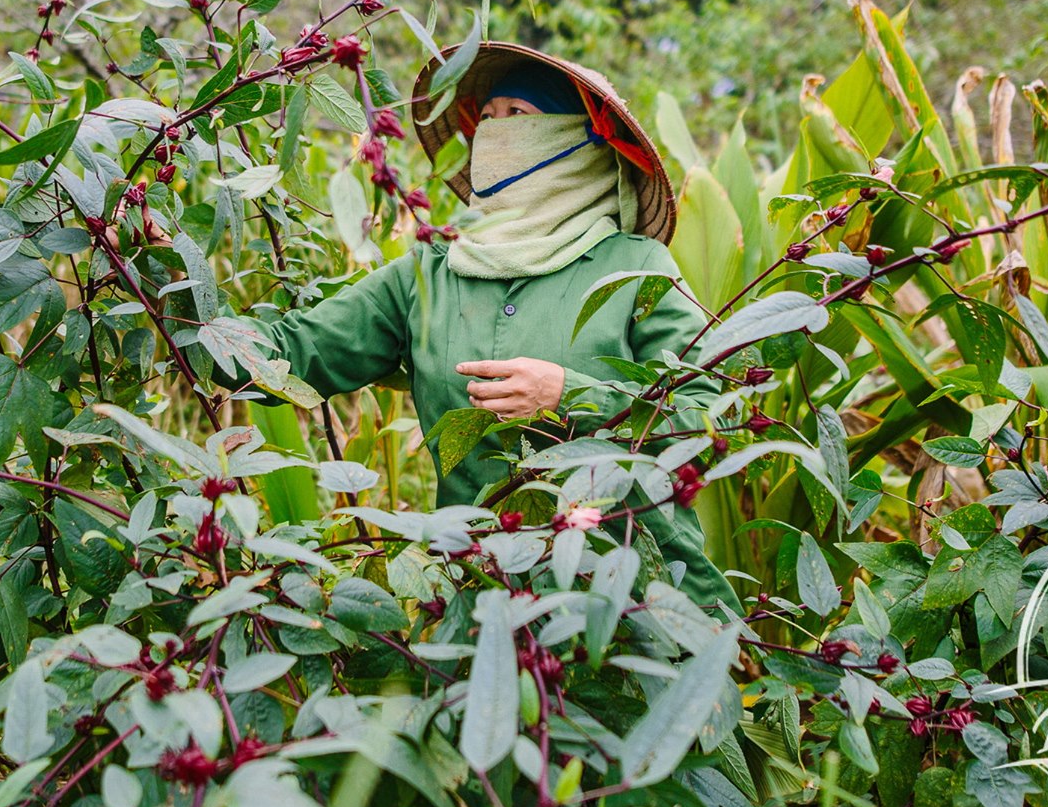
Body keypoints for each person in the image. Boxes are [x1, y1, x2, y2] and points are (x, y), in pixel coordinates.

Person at [235, 43, 738, 613]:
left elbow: (706, 422)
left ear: (578, 137)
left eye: (518, 116)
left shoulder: (637, 268)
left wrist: (570, 396)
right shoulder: (431, 270)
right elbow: (297, 352)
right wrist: (178, 304)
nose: (494, 134)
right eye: (489, 118)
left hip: (633, 597)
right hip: (478, 598)